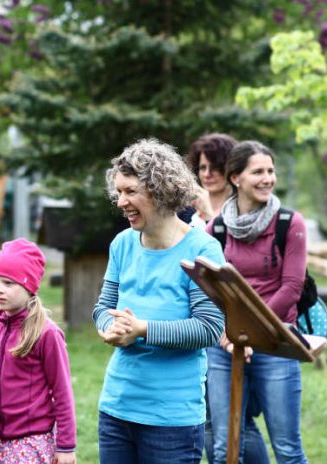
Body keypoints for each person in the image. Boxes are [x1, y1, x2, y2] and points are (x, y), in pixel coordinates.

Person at [93, 139, 225, 463]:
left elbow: (208, 328)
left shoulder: (202, 250)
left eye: (130, 191)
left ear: (161, 190)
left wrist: (142, 330)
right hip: (116, 408)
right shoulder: (123, 244)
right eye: (119, 192)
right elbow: (102, 308)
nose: (121, 201)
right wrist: (110, 327)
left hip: (172, 420)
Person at [206, 141, 309, 464]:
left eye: (270, 171)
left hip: (277, 339)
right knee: (224, 448)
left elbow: (292, 287)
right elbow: (208, 289)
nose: (268, 178)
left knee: (287, 449)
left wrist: (250, 329)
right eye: (258, 172)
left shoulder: (289, 224)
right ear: (235, 178)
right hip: (227, 345)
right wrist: (230, 331)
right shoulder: (218, 228)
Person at [0, 238, 77, 464]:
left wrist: (66, 446)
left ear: (28, 286)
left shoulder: (46, 333)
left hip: (32, 442)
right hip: (1, 441)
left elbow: (62, 391)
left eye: (8, 283)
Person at [186, 133, 238, 226]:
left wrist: (209, 217)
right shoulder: (186, 210)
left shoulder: (240, 210)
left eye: (215, 168)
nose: (207, 174)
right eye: (202, 167)